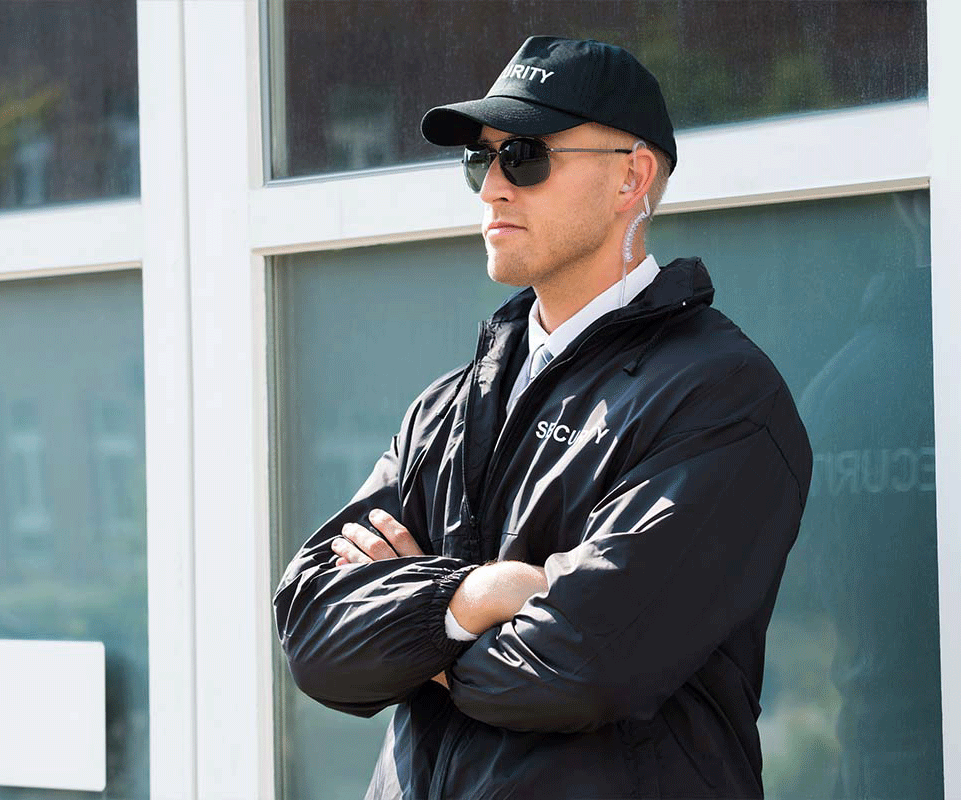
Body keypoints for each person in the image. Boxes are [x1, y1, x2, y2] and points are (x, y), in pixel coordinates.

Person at [274, 36, 812, 800]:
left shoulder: (719, 396)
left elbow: (577, 670)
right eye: (479, 162)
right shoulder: (445, 408)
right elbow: (314, 637)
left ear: (633, 175)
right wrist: (477, 599)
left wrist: (409, 632)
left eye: (524, 155)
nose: (493, 186)